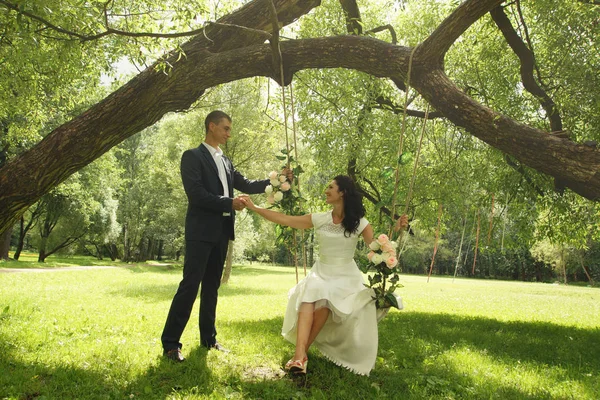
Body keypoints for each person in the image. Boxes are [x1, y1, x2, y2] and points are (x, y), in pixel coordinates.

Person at [240, 175, 407, 376]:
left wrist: (397, 230)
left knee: (326, 297)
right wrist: (255, 208)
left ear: (342, 192)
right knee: (313, 290)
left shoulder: (360, 223)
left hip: (346, 276)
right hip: (322, 271)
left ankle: (299, 356)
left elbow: (378, 249)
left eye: (331, 187)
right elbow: (286, 220)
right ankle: (300, 356)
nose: (326, 190)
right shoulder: (320, 218)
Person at [161, 110, 285, 362]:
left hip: (221, 233)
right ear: (211, 126)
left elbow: (248, 184)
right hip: (200, 232)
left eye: (230, 129)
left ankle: (209, 339)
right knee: (189, 286)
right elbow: (196, 194)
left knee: (211, 288)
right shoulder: (192, 157)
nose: (229, 133)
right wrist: (229, 202)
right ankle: (171, 344)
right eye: (226, 128)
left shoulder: (226, 161)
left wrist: (279, 180)